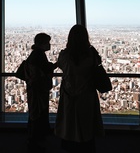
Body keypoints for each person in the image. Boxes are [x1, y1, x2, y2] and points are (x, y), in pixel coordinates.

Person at [55, 24, 105, 153]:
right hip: (86, 95)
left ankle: (70, 146)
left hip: (69, 95)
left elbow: (61, 65)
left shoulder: (64, 55)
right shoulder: (91, 55)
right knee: (86, 123)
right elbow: (97, 65)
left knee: (69, 123)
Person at [25, 32, 58, 152]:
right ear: (42, 44)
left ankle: (34, 140)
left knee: (35, 114)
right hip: (38, 91)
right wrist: (57, 64)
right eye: (47, 42)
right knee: (38, 114)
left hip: (35, 90)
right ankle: (35, 142)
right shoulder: (39, 55)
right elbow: (45, 69)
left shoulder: (36, 54)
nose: (49, 45)